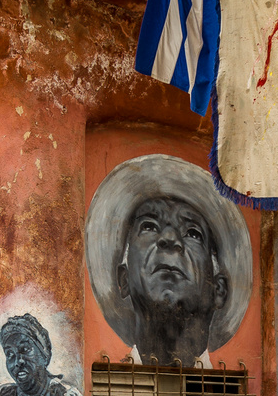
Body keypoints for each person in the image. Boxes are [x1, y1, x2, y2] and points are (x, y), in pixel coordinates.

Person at [85, 154, 252, 367]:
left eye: (192, 233)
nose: (169, 239)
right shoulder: (114, 392)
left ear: (218, 290)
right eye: (149, 226)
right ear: (123, 280)